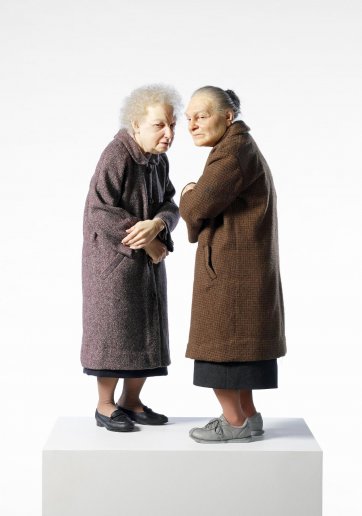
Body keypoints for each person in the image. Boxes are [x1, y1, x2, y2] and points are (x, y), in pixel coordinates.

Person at [179, 86, 286, 443]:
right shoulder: (240, 147)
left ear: (228, 117)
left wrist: (187, 194)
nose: (192, 124)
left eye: (202, 115)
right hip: (242, 270)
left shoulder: (231, 154)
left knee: (221, 348)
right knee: (238, 347)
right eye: (189, 117)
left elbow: (196, 210)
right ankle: (248, 417)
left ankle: (234, 422)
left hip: (232, 274)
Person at [81, 84, 181, 432]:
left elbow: (170, 203)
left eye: (172, 125)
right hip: (113, 266)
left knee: (145, 333)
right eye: (160, 125)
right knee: (115, 331)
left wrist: (158, 225)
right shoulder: (117, 154)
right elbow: (99, 211)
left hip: (146, 267)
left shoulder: (158, 160)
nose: (168, 133)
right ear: (136, 124)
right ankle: (105, 406)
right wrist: (145, 240)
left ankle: (132, 401)